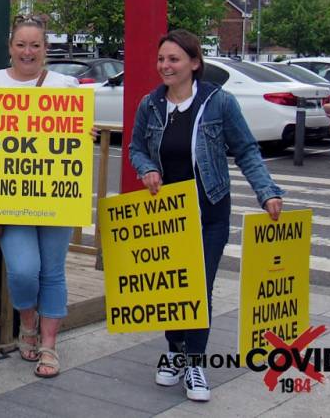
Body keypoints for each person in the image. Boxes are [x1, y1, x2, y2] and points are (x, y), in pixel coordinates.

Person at [129, 29, 284, 402]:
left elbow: (246, 150)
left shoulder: (219, 102)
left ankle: (195, 362)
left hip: (210, 208)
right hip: (168, 212)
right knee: (171, 286)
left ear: (194, 63)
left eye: (174, 59)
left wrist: (267, 192)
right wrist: (147, 168)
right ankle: (175, 352)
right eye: (161, 59)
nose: (165, 66)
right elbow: (136, 148)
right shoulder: (150, 106)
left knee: (199, 286)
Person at [0, 16, 78, 378]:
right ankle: (27, 320)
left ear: (46, 49)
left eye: (35, 45)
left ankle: (48, 345)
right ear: (10, 47)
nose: (28, 51)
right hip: (10, 198)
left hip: (56, 196)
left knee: (52, 271)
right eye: (21, 44)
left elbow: (77, 135)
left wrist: (86, 130)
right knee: (22, 270)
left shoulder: (67, 85)